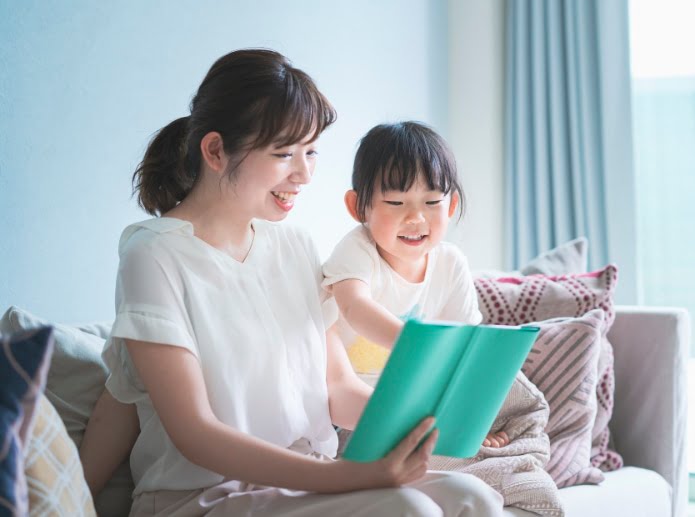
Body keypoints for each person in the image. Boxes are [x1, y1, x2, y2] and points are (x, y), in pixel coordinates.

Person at [79, 49, 505, 516]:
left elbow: (337, 389)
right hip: (203, 497)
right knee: (411, 511)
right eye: (284, 153)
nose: (303, 174)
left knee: (476, 498)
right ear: (216, 151)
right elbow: (194, 431)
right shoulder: (154, 254)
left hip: (309, 484)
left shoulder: (296, 245)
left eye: (311, 152)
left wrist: (431, 424)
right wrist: (348, 475)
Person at [322, 122, 509, 449]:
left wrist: (468, 418)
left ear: (450, 207)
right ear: (357, 207)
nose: (416, 218)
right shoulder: (357, 249)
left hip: (419, 406)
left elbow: (463, 348)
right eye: (396, 203)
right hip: (351, 408)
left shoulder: (450, 264)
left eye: (432, 202)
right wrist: (417, 347)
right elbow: (354, 307)